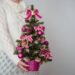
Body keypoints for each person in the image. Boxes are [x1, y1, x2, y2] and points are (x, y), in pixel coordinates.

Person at [0, 0, 39, 75]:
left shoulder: (28, 7)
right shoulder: (2, 6)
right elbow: (2, 34)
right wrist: (15, 58)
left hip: (28, 56)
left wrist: (37, 52)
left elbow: (35, 31)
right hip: (8, 57)